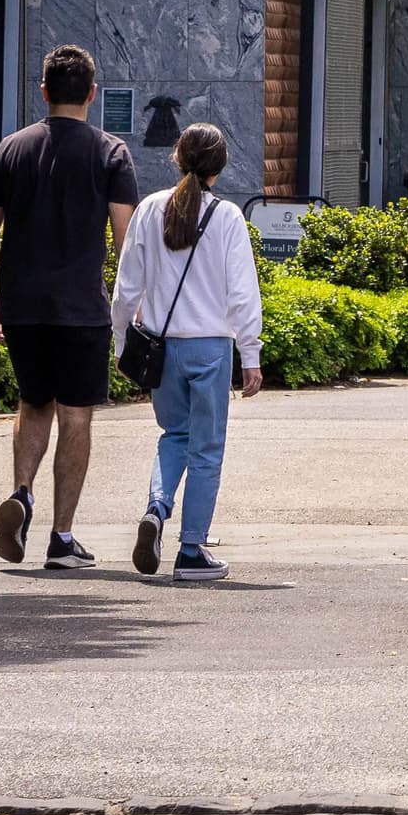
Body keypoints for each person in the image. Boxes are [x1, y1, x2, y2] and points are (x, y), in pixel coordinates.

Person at [0, 45, 138, 568]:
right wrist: (129, 304)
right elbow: (124, 236)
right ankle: (62, 539)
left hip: (22, 306)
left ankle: (21, 493)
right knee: (76, 417)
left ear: (43, 91)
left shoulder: (12, 149)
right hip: (82, 308)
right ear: (92, 93)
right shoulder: (111, 153)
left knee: (32, 405)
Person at [110, 120, 262, 583]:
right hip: (211, 348)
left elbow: (126, 287)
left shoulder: (150, 208)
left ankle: (156, 508)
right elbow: (242, 293)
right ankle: (191, 549)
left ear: (176, 157)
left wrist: (121, 344)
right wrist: (250, 353)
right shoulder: (228, 217)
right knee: (207, 449)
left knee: (173, 436)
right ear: (221, 166)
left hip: (161, 347)